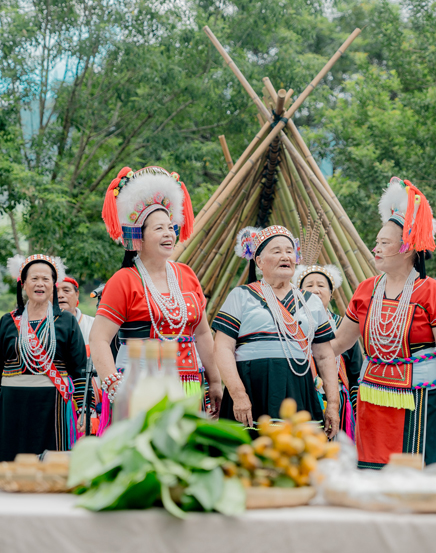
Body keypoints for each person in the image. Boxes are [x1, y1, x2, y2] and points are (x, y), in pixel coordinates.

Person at [332, 177, 436, 468]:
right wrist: (304, 348)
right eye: (376, 243)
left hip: (423, 399)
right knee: (373, 471)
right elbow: (340, 342)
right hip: (373, 397)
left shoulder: (431, 292)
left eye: (384, 243)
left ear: (407, 248)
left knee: (420, 475)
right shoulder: (366, 289)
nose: (375, 249)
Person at [90, 166, 223, 421]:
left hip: (188, 382)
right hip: (138, 384)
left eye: (171, 227)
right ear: (139, 236)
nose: (169, 234)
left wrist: (214, 380)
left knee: (182, 455)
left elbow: (203, 332)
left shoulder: (187, 275)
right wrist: (113, 385)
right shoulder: (124, 280)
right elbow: (98, 339)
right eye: (159, 228)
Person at [213, 225, 340, 437]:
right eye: (277, 251)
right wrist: (238, 394)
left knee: (296, 459)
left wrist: (333, 404)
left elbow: (325, 356)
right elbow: (222, 347)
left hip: (299, 389)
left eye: (290, 251)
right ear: (259, 262)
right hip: (253, 390)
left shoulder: (311, 303)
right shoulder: (241, 295)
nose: (285, 256)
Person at [0, 255, 88, 461]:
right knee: (12, 468)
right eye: (34, 278)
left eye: (46, 279)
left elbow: (80, 371)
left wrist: (84, 408)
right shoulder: (8, 322)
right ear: (23, 283)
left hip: (54, 409)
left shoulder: (66, 321)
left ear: (53, 285)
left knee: (52, 467)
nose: (40, 284)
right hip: (13, 408)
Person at [294, 251, 363, 440]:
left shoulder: (344, 327)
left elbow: (355, 372)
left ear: (331, 294)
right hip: (302, 398)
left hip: (339, 402)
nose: (315, 290)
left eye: (321, 285)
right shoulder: (291, 326)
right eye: (309, 285)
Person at [58, 271, 101, 434]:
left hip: (90, 396)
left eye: (66, 290)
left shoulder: (95, 325)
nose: (60, 295)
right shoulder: (44, 327)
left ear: (77, 295)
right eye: (56, 292)